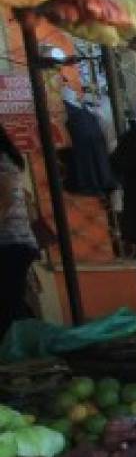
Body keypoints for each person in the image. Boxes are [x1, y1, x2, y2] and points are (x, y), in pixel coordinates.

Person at [0, 125, 38, 339]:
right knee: (11, 303)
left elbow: (3, 200)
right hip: (17, 242)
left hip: (9, 242)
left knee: (8, 308)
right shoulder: (8, 158)